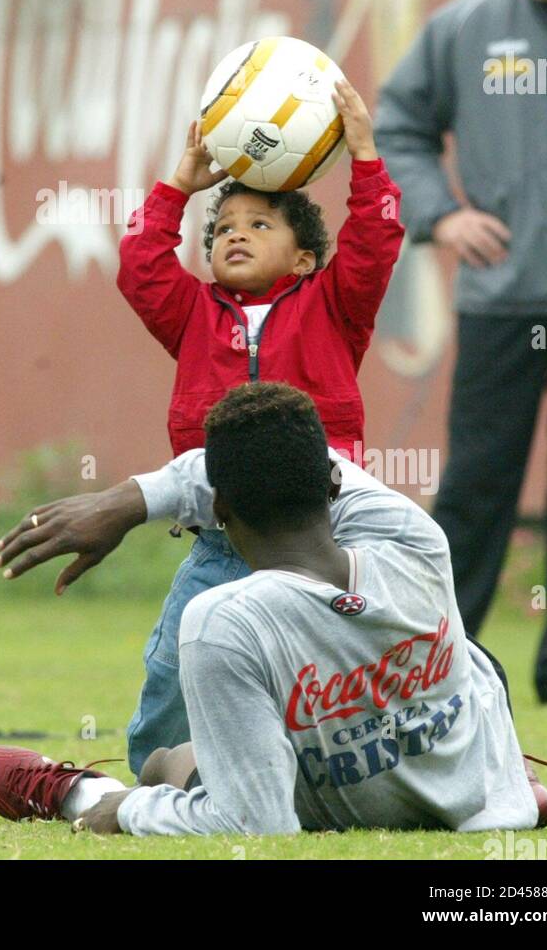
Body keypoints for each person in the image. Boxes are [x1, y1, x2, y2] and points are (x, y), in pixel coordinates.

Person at [0, 383, 547, 837]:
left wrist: (125, 810)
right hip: (477, 794)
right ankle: (514, 774)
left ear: (218, 507)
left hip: (344, 804)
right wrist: (130, 500)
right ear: (332, 482)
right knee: (474, 657)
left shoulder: (222, 622)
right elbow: (305, 463)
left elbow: (255, 822)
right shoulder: (415, 537)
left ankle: (76, 793)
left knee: (169, 761)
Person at [116, 79, 403, 771]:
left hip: (321, 539)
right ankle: (161, 771)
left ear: (304, 259)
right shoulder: (191, 314)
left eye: (259, 225)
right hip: (223, 542)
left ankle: (396, 757)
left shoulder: (334, 305)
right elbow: (140, 264)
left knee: (352, 662)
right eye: (222, 230)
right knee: (176, 664)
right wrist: (178, 186)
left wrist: (364, 154)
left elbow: (375, 239)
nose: (234, 234)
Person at [374, 0, 547, 707]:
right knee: (477, 487)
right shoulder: (466, 28)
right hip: (503, 300)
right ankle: (449, 666)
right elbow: (397, 124)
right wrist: (441, 215)